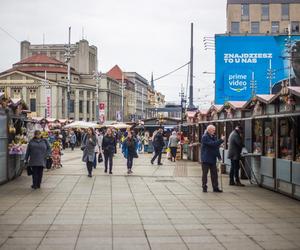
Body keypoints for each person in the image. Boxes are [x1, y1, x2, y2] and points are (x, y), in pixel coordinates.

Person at [201, 124, 224, 193]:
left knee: (214, 174)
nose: (214, 131)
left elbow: (216, 147)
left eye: (214, 130)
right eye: (213, 130)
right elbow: (212, 144)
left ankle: (215, 187)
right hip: (206, 158)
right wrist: (221, 140)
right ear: (209, 130)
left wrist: (219, 157)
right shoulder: (205, 137)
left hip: (213, 158)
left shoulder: (214, 136)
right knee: (205, 174)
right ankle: (204, 187)